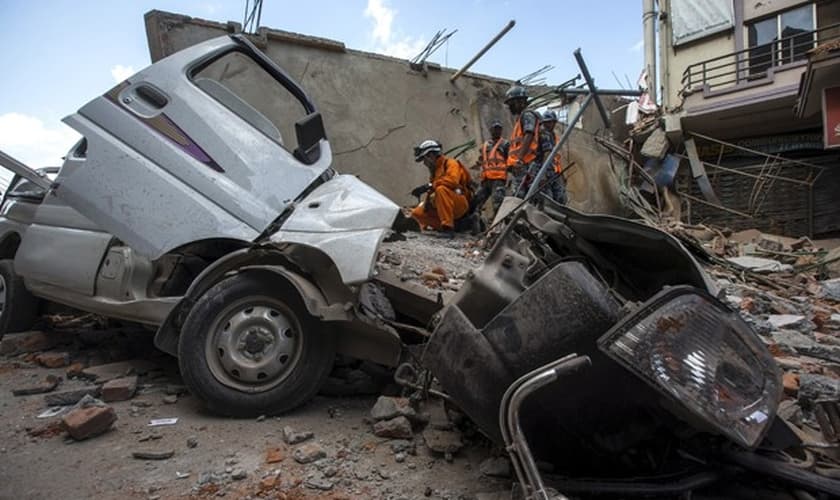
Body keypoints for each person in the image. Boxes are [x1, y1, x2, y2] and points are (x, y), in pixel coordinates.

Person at [409, 139, 472, 238]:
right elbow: (432, 191)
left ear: (431, 155)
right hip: (442, 205)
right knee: (417, 214)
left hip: (459, 203)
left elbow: (453, 181)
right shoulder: (435, 171)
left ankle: (448, 229)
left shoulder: (451, 163)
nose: (424, 163)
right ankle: (459, 226)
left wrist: (429, 185)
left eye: (424, 159)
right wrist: (425, 207)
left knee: (441, 189)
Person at [504, 85, 540, 198]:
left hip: (526, 163)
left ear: (520, 102)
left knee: (520, 198)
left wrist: (519, 159)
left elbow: (529, 135)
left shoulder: (527, 115)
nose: (510, 107)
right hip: (521, 165)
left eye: (511, 104)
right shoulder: (520, 119)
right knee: (521, 197)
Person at [470, 119, 510, 217]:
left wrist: (509, 178)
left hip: (498, 179)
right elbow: (482, 160)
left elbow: (510, 160)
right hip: (486, 179)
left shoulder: (505, 144)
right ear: (490, 130)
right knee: (476, 201)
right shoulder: (485, 145)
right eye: (495, 129)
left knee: (498, 203)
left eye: (499, 129)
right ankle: (475, 224)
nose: (497, 131)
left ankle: (498, 228)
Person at [536, 110, 567, 204]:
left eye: (549, 122)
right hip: (545, 172)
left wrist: (561, 175)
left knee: (561, 198)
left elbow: (555, 159)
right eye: (546, 122)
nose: (547, 125)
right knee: (548, 201)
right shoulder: (544, 134)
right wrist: (543, 175)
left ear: (554, 122)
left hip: (553, 172)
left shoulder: (552, 136)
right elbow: (547, 154)